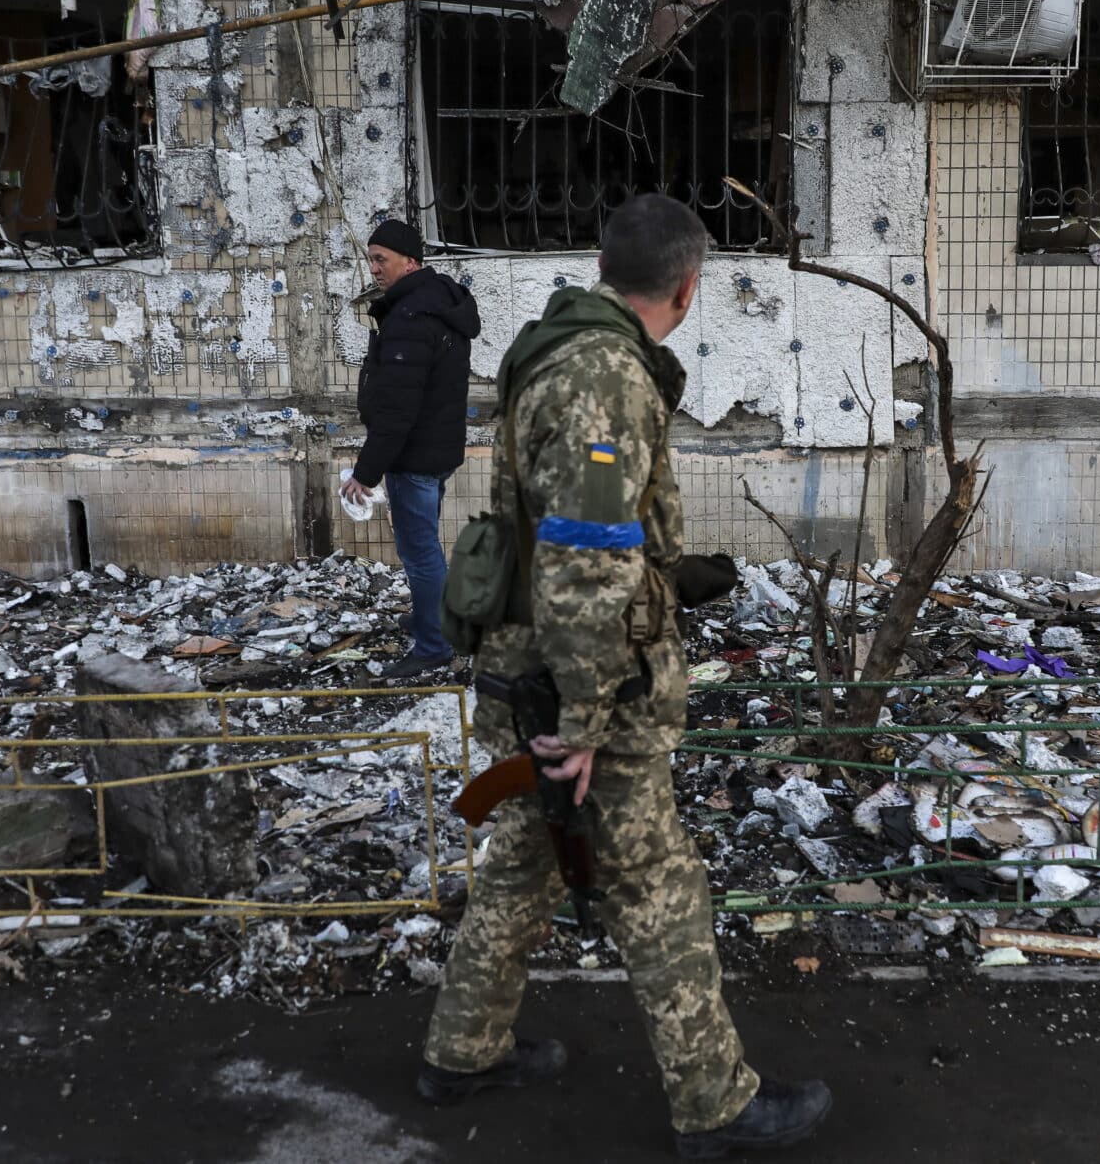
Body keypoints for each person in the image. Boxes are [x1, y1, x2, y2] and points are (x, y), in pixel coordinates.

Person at [416, 195, 831, 1158]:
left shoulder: (559, 345)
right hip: (579, 684)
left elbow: (571, 533)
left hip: (528, 664)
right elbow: (583, 560)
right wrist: (586, 722)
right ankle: (715, 1105)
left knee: (520, 866)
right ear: (688, 289)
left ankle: (461, 1051)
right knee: (655, 885)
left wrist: (666, 574)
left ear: (607, 268)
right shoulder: (605, 375)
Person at [345, 217, 480, 680]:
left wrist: (366, 472)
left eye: (381, 259)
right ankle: (430, 617)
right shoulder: (438, 305)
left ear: (410, 262)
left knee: (420, 554)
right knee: (426, 550)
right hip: (436, 452)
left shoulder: (409, 318)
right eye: (371, 259)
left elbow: (397, 410)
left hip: (415, 456)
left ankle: (433, 645)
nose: (375, 269)